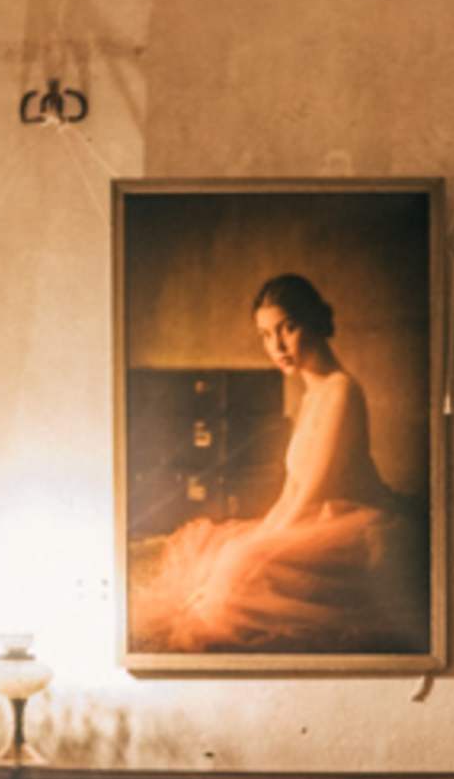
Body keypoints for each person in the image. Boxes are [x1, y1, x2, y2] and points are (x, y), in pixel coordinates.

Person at [128, 273, 426, 655]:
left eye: (288, 328)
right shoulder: (308, 396)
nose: (277, 345)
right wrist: (257, 536)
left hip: (350, 526)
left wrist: (261, 546)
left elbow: (313, 494)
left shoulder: (343, 390)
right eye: (266, 335)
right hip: (315, 519)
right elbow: (292, 490)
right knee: (224, 555)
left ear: (315, 323)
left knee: (240, 568)